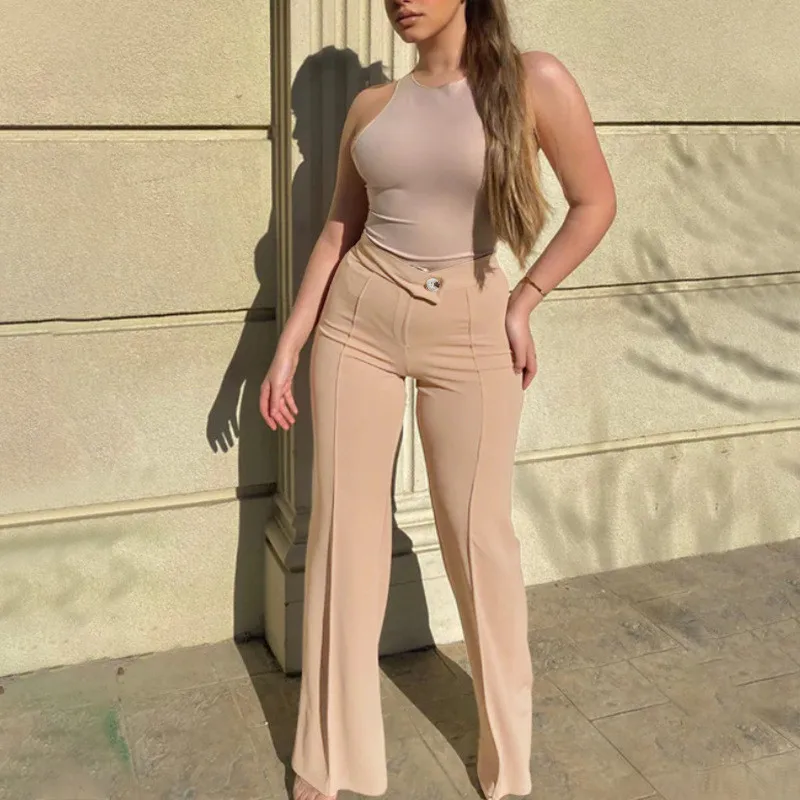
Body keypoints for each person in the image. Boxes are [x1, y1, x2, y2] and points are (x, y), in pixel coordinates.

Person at [259, 1, 616, 797]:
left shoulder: (532, 81)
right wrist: (290, 343)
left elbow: (596, 202)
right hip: (356, 322)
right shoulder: (371, 107)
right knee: (343, 536)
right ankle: (330, 757)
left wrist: (524, 301)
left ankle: (507, 764)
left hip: (469, 323)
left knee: (479, 539)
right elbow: (339, 228)